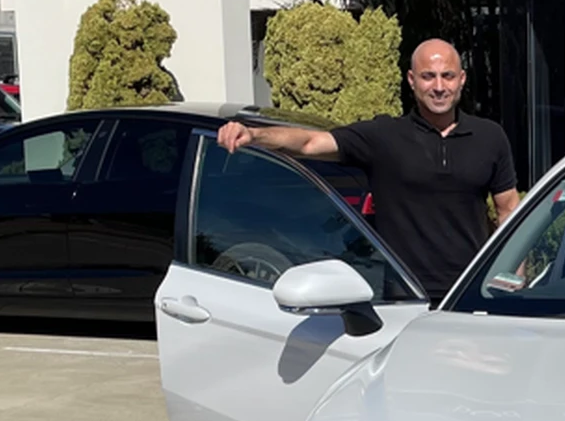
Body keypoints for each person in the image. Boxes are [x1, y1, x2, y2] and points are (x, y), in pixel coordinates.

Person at [218, 39, 521, 299]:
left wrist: (515, 286)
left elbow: (509, 213)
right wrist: (255, 135)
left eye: (448, 76)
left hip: (472, 291)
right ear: (412, 80)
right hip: (406, 296)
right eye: (428, 77)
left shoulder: (490, 137)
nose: (439, 87)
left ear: (462, 79)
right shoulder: (384, 136)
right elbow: (311, 142)